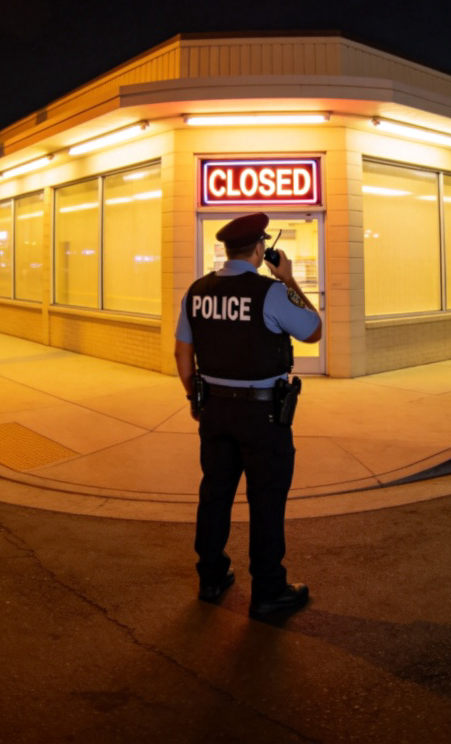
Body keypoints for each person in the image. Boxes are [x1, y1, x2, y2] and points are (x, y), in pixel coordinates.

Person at [174, 212, 322, 617]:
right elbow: (313, 330)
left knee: (215, 493)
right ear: (260, 249)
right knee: (267, 500)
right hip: (263, 418)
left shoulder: (196, 291)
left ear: (227, 249)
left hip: (215, 412)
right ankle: (269, 592)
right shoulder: (271, 292)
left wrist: (196, 399)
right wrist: (288, 279)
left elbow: (182, 354)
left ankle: (211, 576)